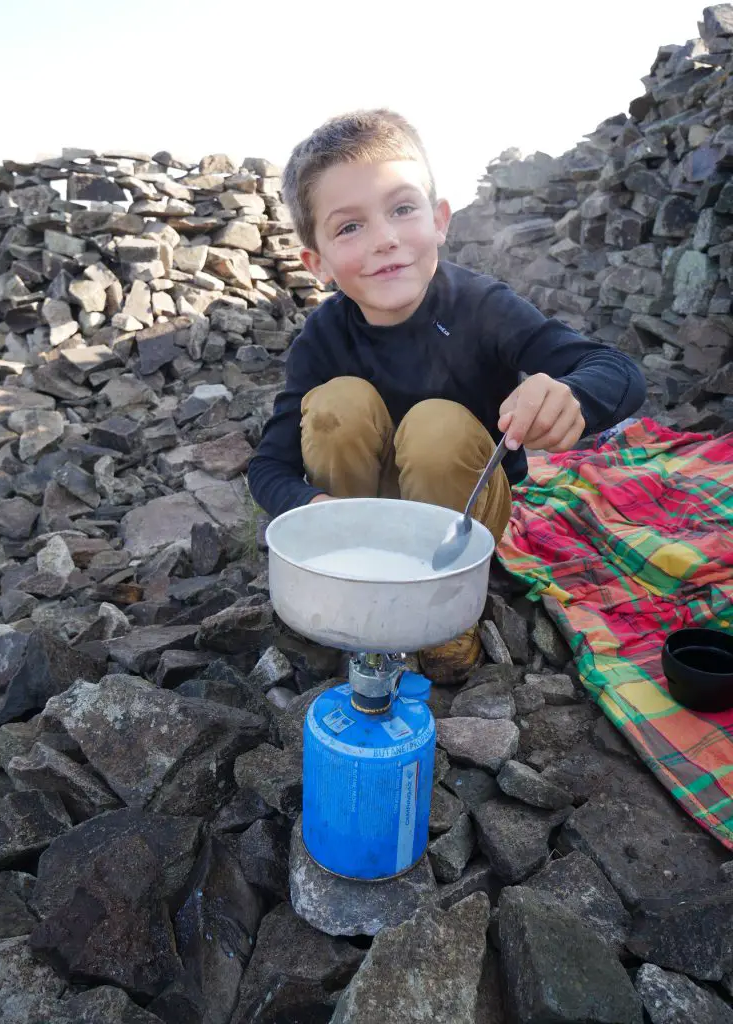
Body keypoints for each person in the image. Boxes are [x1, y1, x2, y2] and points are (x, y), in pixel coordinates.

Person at [247, 109, 646, 683]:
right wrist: (314, 511)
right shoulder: (322, 336)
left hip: (460, 516)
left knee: (437, 425)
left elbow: (614, 368)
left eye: (402, 209)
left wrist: (572, 396)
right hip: (357, 520)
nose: (385, 239)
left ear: (439, 220)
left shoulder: (481, 307)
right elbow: (270, 464)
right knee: (339, 405)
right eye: (349, 227)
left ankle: (445, 621)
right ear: (318, 263)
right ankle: (354, 590)